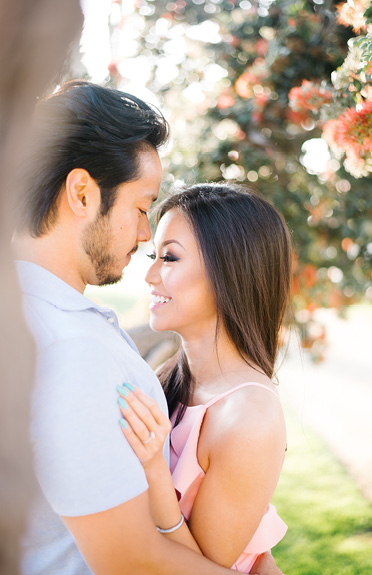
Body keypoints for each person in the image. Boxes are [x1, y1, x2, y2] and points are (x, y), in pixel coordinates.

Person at [13, 80, 281, 575]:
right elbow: (130, 559)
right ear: (81, 193)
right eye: (141, 209)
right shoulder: (69, 346)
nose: (142, 239)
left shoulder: (46, 321)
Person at [116, 183, 292, 571]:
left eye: (170, 258)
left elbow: (202, 569)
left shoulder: (249, 415)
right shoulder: (168, 379)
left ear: (229, 270)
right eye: (154, 256)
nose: (149, 275)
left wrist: (155, 471)